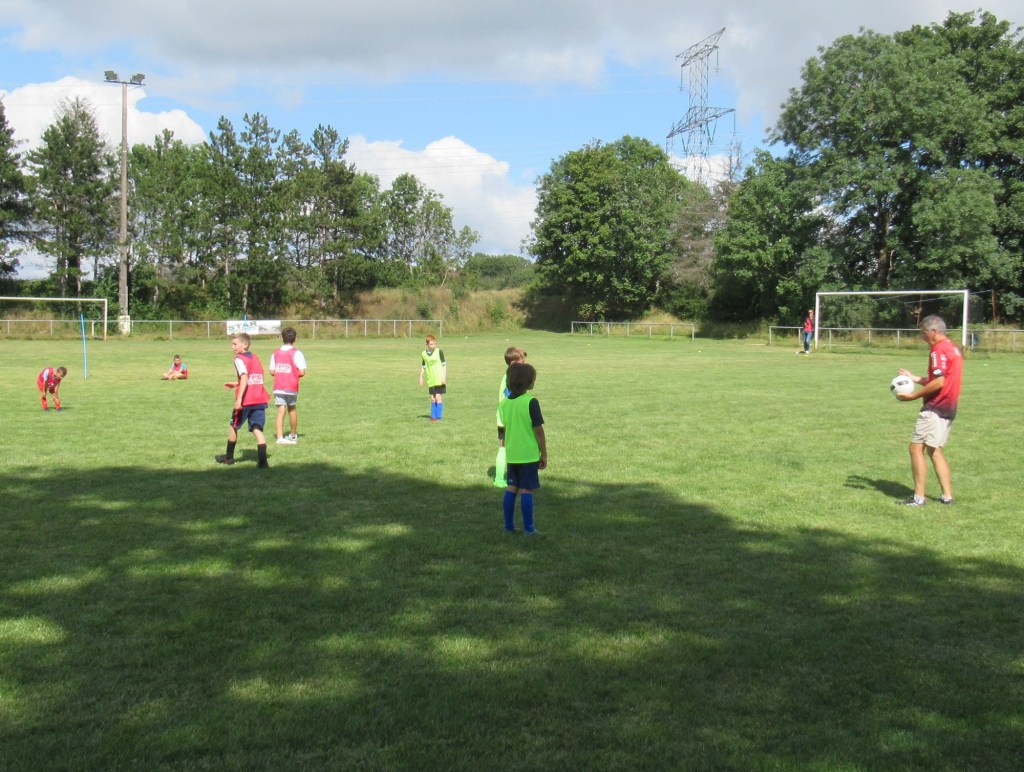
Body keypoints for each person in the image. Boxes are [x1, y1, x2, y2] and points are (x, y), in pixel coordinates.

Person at [895, 315, 963, 506]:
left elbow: (939, 382)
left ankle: (918, 498)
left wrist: (913, 396)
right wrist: (914, 377)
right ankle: (947, 496)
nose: (922, 337)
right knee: (935, 450)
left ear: (934, 331)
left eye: (923, 333)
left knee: (915, 448)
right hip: (949, 407)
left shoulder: (937, 350)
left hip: (935, 407)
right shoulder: (952, 348)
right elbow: (940, 379)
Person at [498, 362, 547, 535]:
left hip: (512, 454)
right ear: (526, 382)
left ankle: (508, 526)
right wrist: (544, 454)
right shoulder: (531, 402)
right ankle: (529, 529)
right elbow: (538, 431)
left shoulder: (504, 404)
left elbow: (504, 428)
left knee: (511, 488)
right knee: (527, 490)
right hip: (528, 455)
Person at [216, 333, 270, 468]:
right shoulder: (255, 357)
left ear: (244, 344)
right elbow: (254, 377)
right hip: (260, 398)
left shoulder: (239, 359)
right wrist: (237, 383)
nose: (232, 347)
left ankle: (228, 458)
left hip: (246, 400)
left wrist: (239, 399)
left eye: (235, 344)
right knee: (257, 429)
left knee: (233, 426)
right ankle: (263, 463)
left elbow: (245, 376)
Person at [494, 347, 526, 487]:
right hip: (509, 419)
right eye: (522, 361)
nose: (525, 363)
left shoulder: (508, 375)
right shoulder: (512, 377)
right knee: (506, 447)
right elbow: (511, 399)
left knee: (504, 446)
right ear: (513, 363)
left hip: (502, 418)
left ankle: (501, 478)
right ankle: (501, 479)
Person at [269, 327, 307, 445]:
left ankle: (279, 437)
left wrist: (281, 372)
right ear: (295, 339)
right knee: (292, 409)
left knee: (281, 411)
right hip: (291, 386)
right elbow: (302, 372)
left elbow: (272, 371)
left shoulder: (275, 353)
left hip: (279, 386)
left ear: (281, 338)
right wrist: (292, 374)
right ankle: (293, 435)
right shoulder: (297, 353)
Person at [418, 334, 447, 421]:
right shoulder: (423, 354)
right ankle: (433, 417)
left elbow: (444, 365)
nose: (433, 345)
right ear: (426, 344)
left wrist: (443, 377)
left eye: (435, 343)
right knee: (433, 399)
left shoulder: (439, 352)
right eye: (431, 344)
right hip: (431, 380)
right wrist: (421, 377)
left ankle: (439, 417)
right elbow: (423, 366)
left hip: (439, 379)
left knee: (438, 397)